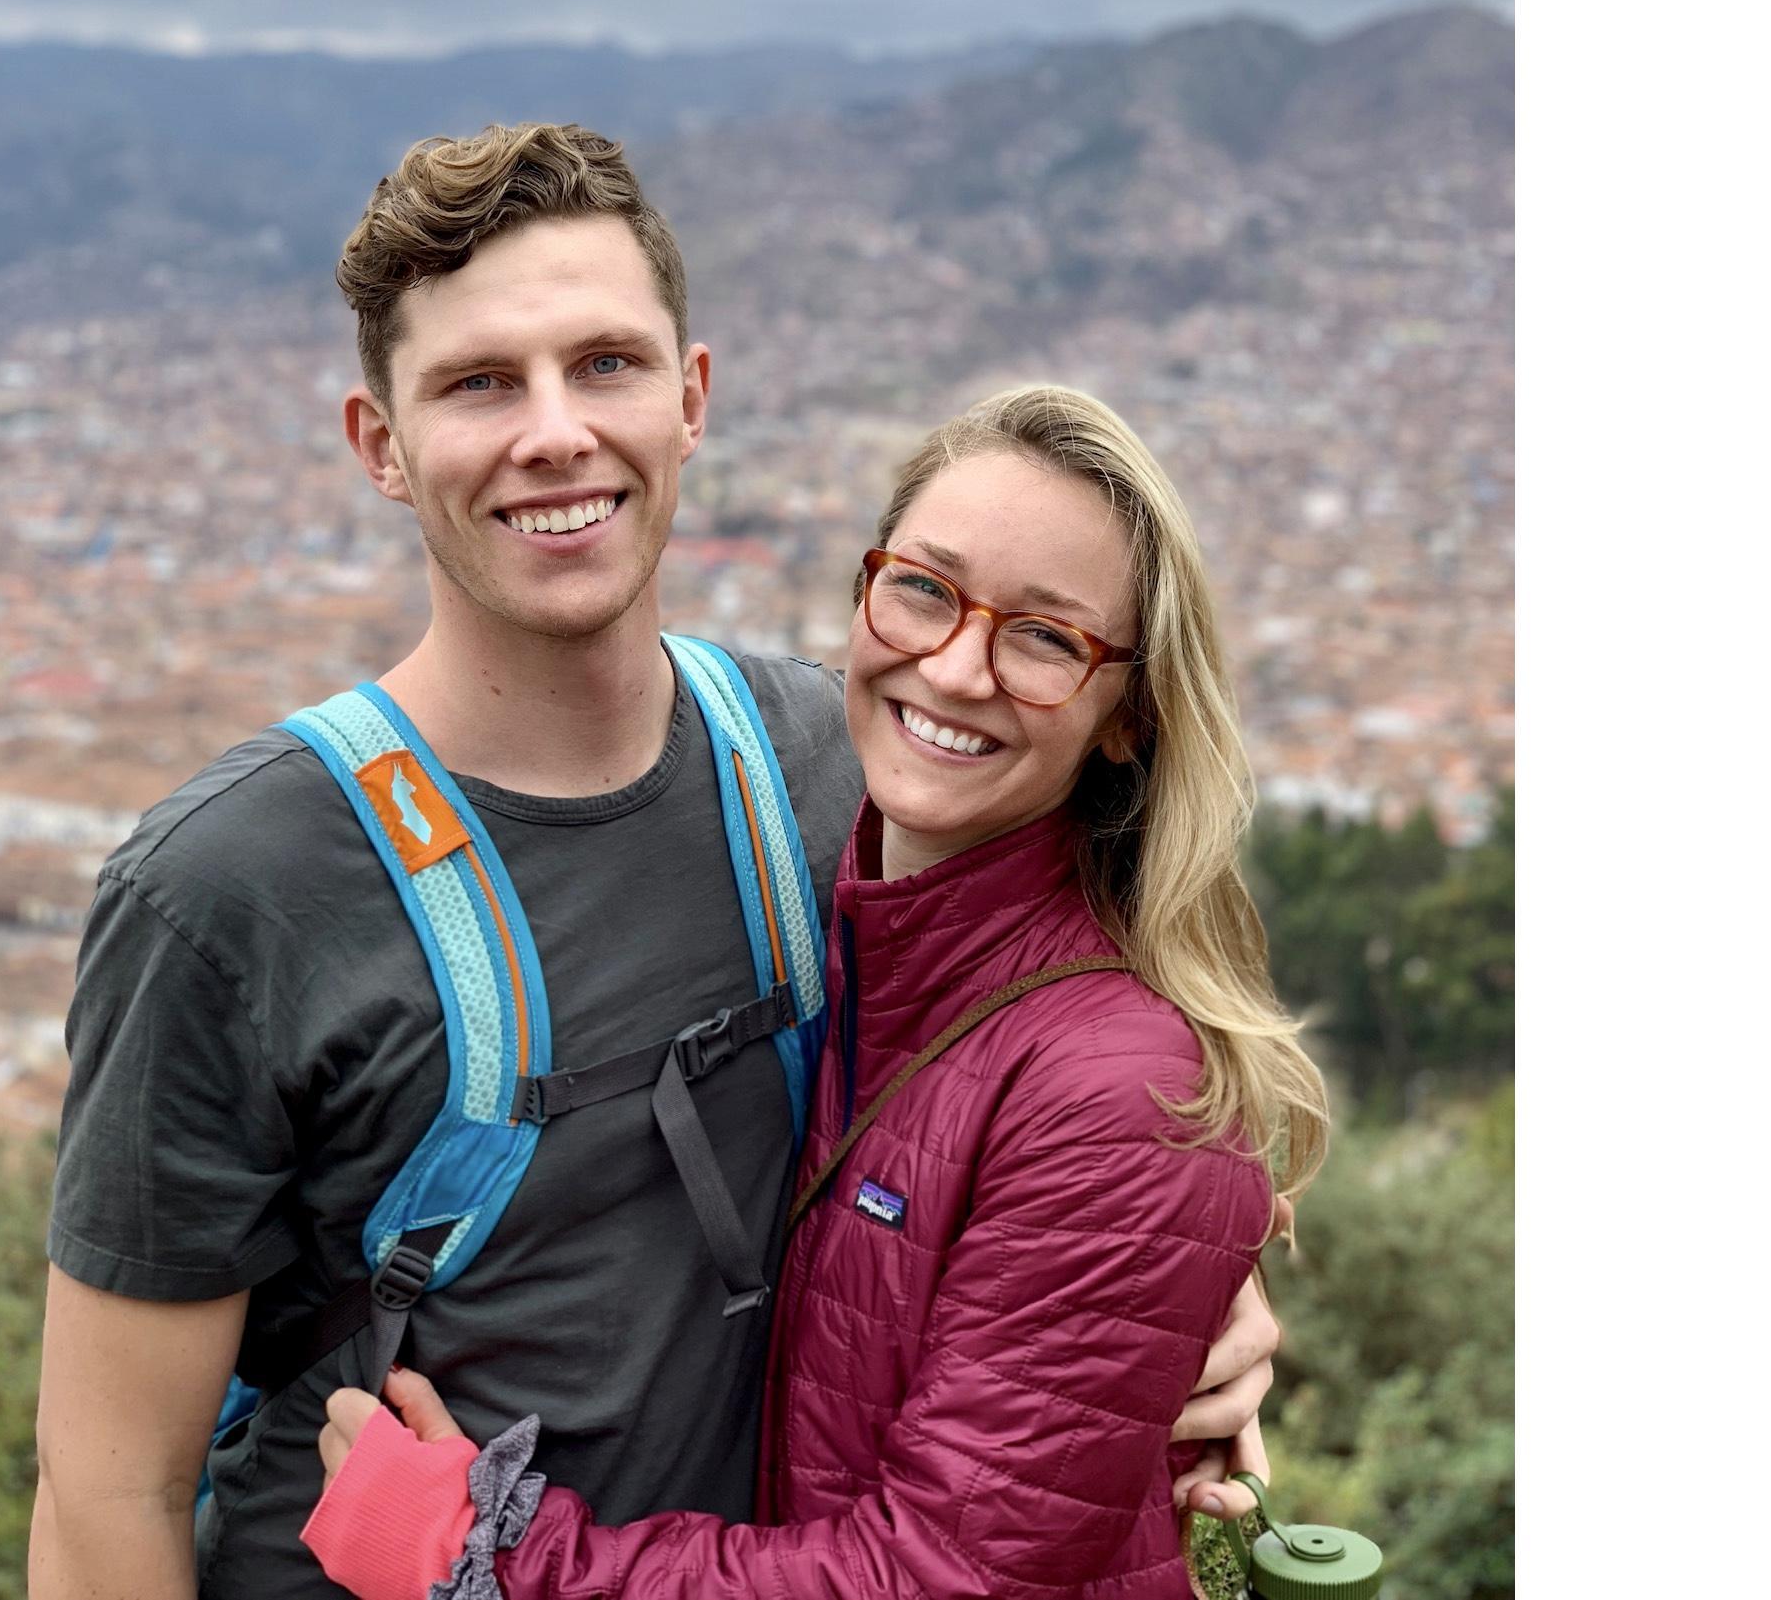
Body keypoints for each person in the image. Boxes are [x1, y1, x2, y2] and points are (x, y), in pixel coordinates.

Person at [28, 127, 1281, 1600]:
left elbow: (1059, 1066)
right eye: (480, 381)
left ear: (689, 402)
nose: (554, 430)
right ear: (379, 442)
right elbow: (111, 1489)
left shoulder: (837, 762)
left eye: (607, 363)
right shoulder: (229, 890)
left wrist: (1204, 1304)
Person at [303, 382, 1329, 1600]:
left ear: (1127, 719)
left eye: (1048, 640)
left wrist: (476, 1554)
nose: (956, 666)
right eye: (925, 589)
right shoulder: (839, 937)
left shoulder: (1121, 1092)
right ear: (866, 588)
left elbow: (939, 1577)